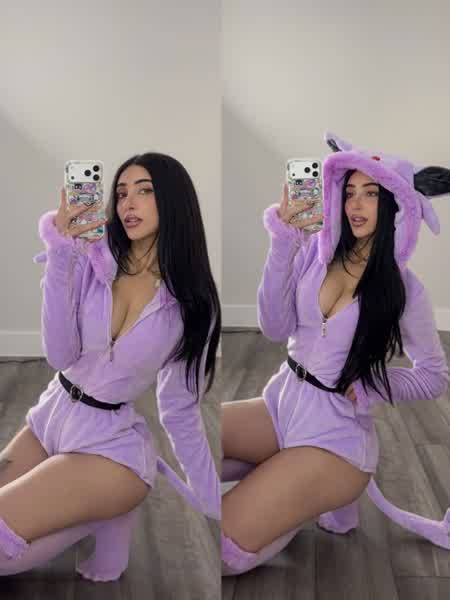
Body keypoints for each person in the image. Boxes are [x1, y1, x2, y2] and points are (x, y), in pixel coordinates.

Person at [221, 131, 450, 576]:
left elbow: (433, 375)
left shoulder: (405, 288)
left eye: (372, 193)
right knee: (197, 442)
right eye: (349, 192)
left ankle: (311, 493)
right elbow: (274, 327)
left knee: (222, 547)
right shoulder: (315, 252)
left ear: (395, 204)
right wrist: (283, 241)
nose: (356, 204)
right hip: (283, 403)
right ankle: (289, 481)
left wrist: (370, 386)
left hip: (337, 438)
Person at [0, 153, 221, 581]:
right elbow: (60, 355)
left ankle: (108, 506)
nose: (128, 204)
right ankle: (100, 513)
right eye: (121, 193)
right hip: (50, 417)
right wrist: (61, 253)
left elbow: (179, 410)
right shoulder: (92, 260)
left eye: (144, 191)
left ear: (174, 201)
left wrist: (214, 500)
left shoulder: (193, 304)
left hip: (110, 447)